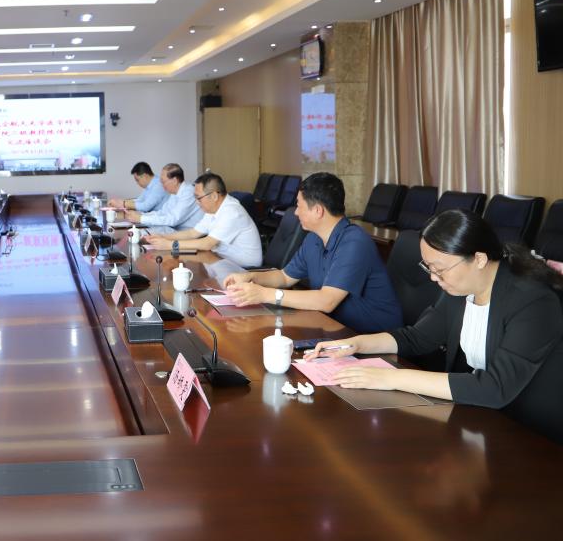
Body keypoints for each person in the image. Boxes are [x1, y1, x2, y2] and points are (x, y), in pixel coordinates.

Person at [305, 209, 563, 443]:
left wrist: (390, 378)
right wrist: (356, 344)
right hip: (482, 417)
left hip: (532, 434)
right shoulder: (461, 286)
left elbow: (495, 387)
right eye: (428, 267)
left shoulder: (534, 301)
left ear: (479, 259)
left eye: (439, 269)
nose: (432, 277)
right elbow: (417, 338)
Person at [223, 172, 402, 333]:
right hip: (334, 328)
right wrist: (250, 277)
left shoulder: (355, 242)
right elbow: (285, 277)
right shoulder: (313, 239)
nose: (296, 212)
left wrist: (265, 294)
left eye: (299, 206)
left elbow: (327, 301)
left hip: (372, 338)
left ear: (317, 211)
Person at [146, 172, 261, 268]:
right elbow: (193, 233)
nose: (197, 202)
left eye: (199, 198)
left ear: (214, 196)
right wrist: (163, 237)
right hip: (220, 258)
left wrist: (170, 245)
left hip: (244, 268)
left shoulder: (232, 212)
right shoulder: (214, 208)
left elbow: (207, 244)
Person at [124, 163, 203, 231]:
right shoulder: (174, 192)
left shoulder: (188, 192)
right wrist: (141, 216)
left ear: (174, 181)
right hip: (175, 230)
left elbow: (173, 219)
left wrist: (141, 218)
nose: (161, 185)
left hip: (190, 234)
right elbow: (162, 212)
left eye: (163, 182)